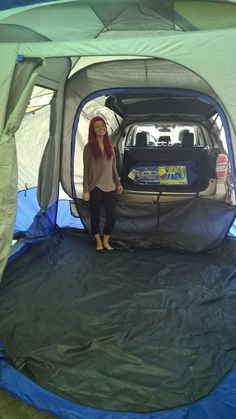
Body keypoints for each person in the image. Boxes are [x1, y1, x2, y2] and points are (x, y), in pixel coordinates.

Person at [82, 116, 123, 251]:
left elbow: (114, 167)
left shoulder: (110, 146)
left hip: (110, 185)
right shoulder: (88, 148)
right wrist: (86, 189)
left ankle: (106, 240)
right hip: (95, 186)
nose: (101, 128)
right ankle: (98, 241)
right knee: (95, 215)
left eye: (102, 125)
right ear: (93, 130)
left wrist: (118, 183)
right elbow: (86, 170)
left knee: (111, 216)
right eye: (97, 127)